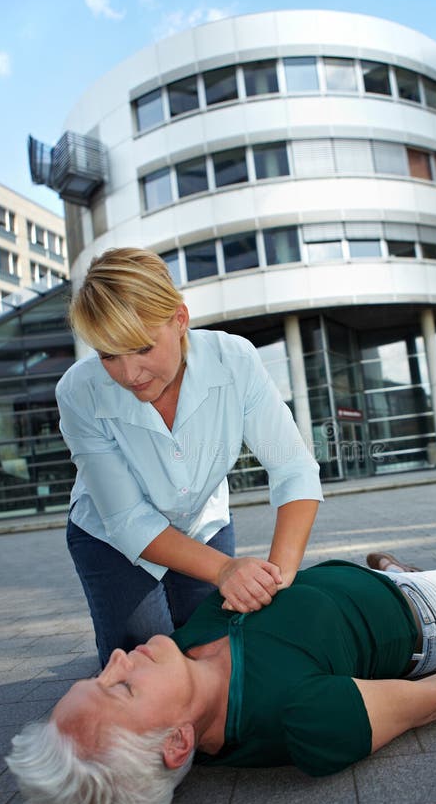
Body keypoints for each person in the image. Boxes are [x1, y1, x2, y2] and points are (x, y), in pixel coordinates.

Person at [7, 540, 436, 804]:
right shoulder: (304, 720)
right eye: (122, 688)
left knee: (431, 577)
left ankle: (399, 567)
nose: (117, 660)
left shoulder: (174, 653)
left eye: (101, 675)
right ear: (178, 741)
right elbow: (430, 701)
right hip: (422, 616)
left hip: (348, 578)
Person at [56, 247, 323, 667]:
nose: (129, 375)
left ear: (179, 320)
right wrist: (224, 571)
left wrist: (279, 577)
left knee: (214, 652)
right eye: (109, 355)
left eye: (141, 348)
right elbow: (128, 520)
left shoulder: (234, 360)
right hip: (111, 539)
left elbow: (292, 467)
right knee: (145, 660)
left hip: (203, 524)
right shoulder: (78, 392)